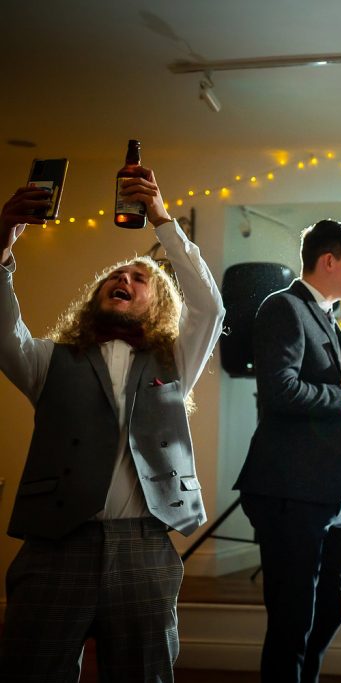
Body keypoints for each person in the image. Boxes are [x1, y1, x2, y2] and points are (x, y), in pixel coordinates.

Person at [0, 172, 225, 681]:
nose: (123, 278)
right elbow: (4, 330)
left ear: (160, 303)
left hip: (145, 547)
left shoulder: (175, 360)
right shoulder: (48, 361)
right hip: (55, 546)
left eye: (139, 278)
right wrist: (2, 247)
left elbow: (210, 307)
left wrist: (162, 219)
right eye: (115, 276)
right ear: (97, 295)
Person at [232, 219, 341, 683]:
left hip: (330, 492)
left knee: (332, 606)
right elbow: (279, 391)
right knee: (292, 617)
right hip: (290, 489)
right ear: (329, 261)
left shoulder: (327, 314)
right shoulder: (284, 307)